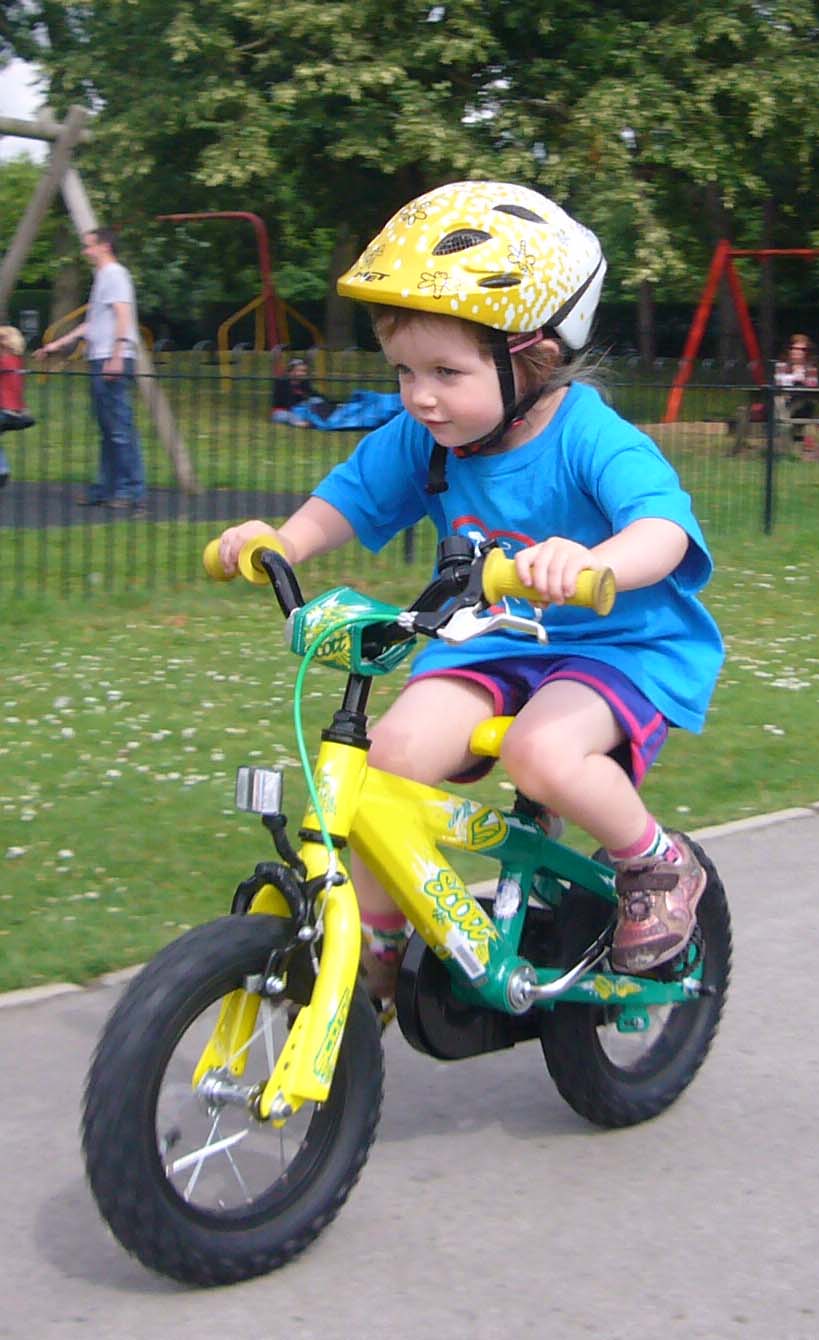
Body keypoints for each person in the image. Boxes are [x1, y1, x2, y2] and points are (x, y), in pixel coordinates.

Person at [216, 181, 725, 1009]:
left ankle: (654, 861)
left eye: (447, 372)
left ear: (534, 357)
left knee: (541, 752)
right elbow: (351, 496)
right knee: (388, 758)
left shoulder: (593, 438)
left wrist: (594, 560)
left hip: (619, 648)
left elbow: (663, 530)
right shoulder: (428, 437)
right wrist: (284, 540)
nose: (420, 394)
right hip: (494, 641)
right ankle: (375, 950)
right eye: (405, 370)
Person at [36, 227, 146, 514]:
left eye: (89, 246)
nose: (86, 251)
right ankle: (105, 488)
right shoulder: (102, 278)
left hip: (112, 357)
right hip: (101, 356)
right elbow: (93, 323)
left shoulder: (115, 275)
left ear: (105, 246)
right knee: (108, 429)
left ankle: (130, 491)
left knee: (120, 428)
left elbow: (123, 315)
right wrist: (57, 345)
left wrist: (118, 354)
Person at [0, 324, 34, 488]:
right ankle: (2, 469)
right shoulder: (16, 361)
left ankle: (2, 469)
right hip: (15, 410)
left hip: (5, 410)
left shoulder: (4, 361)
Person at [774, 333, 819, 453]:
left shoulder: (810, 369)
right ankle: (785, 443)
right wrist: (796, 377)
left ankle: (787, 443)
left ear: (807, 352)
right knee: (779, 401)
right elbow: (779, 382)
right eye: (794, 348)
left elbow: (812, 386)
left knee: (798, 401)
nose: (797, 352)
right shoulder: (781, 366)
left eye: (801, 349)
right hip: (782, 401)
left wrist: (799, 379)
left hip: (802, 404)